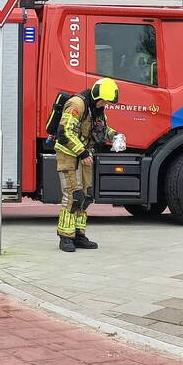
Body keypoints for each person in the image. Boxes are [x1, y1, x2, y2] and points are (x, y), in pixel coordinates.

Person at [53, 78, 120, 252]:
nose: (105, 104)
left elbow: (102, 129)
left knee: (87, 196)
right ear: (97, 95)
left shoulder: (97, 109)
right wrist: (82, 152)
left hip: (85, 154)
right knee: (73, 195)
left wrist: (115, 136)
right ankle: (65, 237)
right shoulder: (77, 104)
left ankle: (79, 235)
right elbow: (64, 133)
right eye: (104, 101)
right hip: (69, 154)